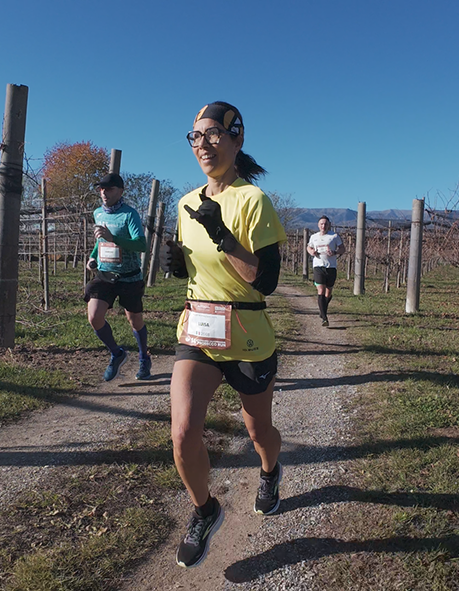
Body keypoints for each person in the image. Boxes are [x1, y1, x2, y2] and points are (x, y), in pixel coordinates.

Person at [160, 101, 288, 568]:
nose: (205, 144)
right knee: (183, 433)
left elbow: (265, 280)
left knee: (258, 430)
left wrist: (223, 237)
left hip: (248, 334)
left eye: (214, 134)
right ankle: (204, 509)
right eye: (196, 136)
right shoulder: (185, 202)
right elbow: (197, 270)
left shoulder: (254, 201)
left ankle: (271, 471)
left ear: (237, 139)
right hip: (197, 330)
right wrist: (178, 266)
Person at [85, 172, 152, 381]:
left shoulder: (129, 214)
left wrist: (114, 238)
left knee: (135, 320)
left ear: (120, 191)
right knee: (94, 316)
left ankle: (143, 358)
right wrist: (92, 256)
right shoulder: (98, 213)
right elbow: (100, 241)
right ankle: (117, 353)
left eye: (109, 189)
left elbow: (141, 244)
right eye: (101, 189)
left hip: (129, 276)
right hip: (105, 274)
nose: (104, 193)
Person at [306, 215, 345, 326]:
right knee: (321, 291)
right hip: (318, 266)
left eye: (325, 224)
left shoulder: (334, 236)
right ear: (318, 225)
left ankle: (322, 310)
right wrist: (311, 252)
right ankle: (324, 318)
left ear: (329, 225)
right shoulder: (314, 237)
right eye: (321, 224)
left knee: (328, 292)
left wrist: (335, 252)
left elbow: (343, 248)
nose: (323, 226)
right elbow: (308, 247)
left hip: (331, 267)